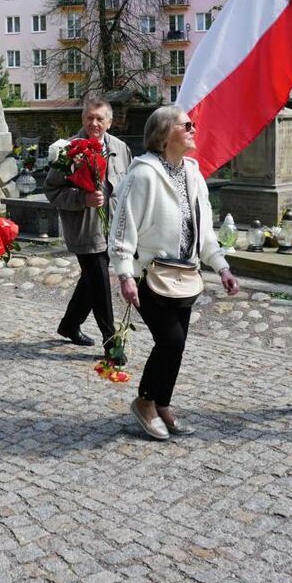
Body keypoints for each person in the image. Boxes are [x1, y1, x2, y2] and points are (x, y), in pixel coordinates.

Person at [111, 106, 238, 441]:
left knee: (177, 346)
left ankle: (163, 404)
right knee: (170, 340)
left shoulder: (193, 174)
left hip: (185, 276)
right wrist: (125, 275)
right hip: (149, 275)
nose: (194, 129)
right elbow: (123, 227)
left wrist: (221, 266)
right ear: (165, 134)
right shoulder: (142, 175)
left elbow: (204, 230)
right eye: (187, 125)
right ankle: (145, 401)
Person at [45, 97, 132, 362]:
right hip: (84, 228)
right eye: (89, 118)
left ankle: (70, 324)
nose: (94, 123)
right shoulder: (67, 149)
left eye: (99, 119)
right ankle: (111, 343)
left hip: (112, 228)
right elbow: (52, 190)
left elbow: (128, 187)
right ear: (83, 118)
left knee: (90, 280)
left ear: (109, 121)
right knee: (99, 282)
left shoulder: (120, 148)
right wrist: (83, 199)